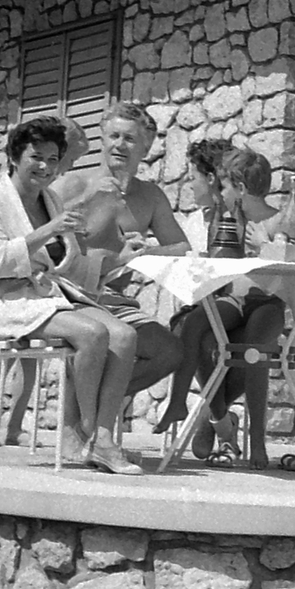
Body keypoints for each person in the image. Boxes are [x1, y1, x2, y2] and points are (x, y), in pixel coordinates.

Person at [0, 117, 141, 475]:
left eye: (52, 159)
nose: (45, 167)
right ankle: (90, 433)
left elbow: (69, 265)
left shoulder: (51, 200)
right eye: (36, 157)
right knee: (93, 334)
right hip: (11, 301)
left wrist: (120, 259)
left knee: (125, 336)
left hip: (51, 295)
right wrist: (48, 230)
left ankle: (102, 436)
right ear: (15, 157)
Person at [161, 146, 295, 467]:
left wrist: (264, 247)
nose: (219, 193)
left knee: (255, 350)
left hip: (267, 302)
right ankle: (179, 402)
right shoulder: (228, 220)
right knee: (195, 323)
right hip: (233, 299)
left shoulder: (278, 220)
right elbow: (220, 268)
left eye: (224, 187)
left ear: (239, 188)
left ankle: (255, 438)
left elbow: (293, 267)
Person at [49, 100, 188, 394]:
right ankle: (90, 408)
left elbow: (181, 247)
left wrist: (147, 252)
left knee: (171, 352)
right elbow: (40, 234)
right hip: (69, 296)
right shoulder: (72, 184)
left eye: (130, 139)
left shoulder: (150, 196)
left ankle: (98, 402)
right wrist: (88, 200)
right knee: (112, 339)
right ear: (103, 139)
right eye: (114, 136)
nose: (120, 145)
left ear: (145, 149)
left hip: (116, 303)